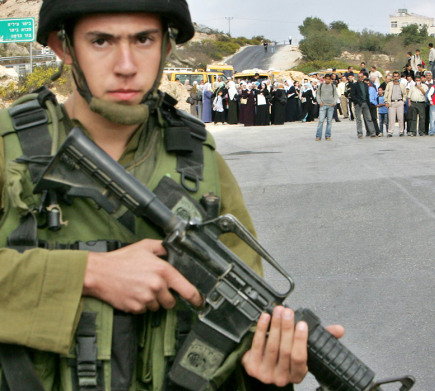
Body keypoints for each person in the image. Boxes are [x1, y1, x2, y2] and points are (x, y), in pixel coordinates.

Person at [0, 1, 347, 390]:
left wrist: (263, 372)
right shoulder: (8, 148)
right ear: (62, 47)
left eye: (144, 40)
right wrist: (88, 274)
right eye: (101, 41)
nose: (126, 65)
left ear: (166, 47)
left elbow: (239, 320)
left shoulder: (200, 159)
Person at [350, 72, 376, 138]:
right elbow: (352, 95)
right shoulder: (354, 85)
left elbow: (367, 94)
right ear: (357, 77)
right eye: (359, 77)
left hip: (365, 103)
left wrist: (368, 103)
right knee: (359, 119)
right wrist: (357, 101)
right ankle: (360, 133)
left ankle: (372, 132)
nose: (360, 78)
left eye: (361, 77)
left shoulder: (365, 85)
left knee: (368, 118)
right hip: (358, 104)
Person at [315, 73, 339, 141]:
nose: (327, 80)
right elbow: (318, 95)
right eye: (326, 79)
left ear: (331, 80)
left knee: (329, 121)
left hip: (330, 105)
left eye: (329, 79)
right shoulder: (321, 85)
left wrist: (334, 103)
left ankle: (328, 135)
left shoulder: (333, 86)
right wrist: (320, 102)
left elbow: (335, 95)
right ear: (324, 79)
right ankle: (318, 136)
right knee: (321, 120)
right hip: (323, 105)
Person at [385, 71, 408, 136]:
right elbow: (386, 93)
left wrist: (403, 101)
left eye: (397, 76)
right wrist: (386, 102)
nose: (396, 78)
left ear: (399, 77)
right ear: (392, 77)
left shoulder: (402, 85)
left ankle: (401, 131)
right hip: (392, 103)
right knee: (391, 119)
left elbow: (404, 94)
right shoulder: (389, 84)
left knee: (401, 118)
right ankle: (390, 132)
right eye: (394, 76)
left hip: (399, 102)